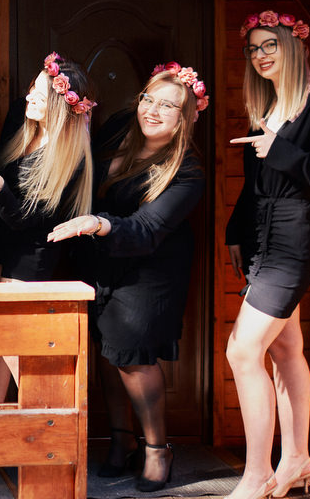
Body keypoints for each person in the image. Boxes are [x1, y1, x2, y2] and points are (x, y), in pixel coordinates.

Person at [48, 63, 208, 493]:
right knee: (107, 351)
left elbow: (148, 229)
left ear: (185, 118)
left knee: (133, 357)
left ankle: (157, 449)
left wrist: (97, 223)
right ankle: (121, 440)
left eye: (168, 106)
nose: (152, 110)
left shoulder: (187, 172)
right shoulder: (120, 128)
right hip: (100, 259)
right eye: (148, 99)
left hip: (150, 268)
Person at [224, 11, 310, 499]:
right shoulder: (269, 106)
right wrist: (236, 231)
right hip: (262, 237)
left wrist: (281, 151)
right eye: (253, 48)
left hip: (294, 241)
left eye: (270, 45)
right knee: (284, 349)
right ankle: (297, 458)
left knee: (242, 350)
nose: (260, 55)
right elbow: (256, 185)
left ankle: (257, 474)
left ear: (295, 46)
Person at [0, 51, 94, 405]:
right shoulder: (25, 132)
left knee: (17, 349)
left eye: (40, 93)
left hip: (28, 262)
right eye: (32, 88)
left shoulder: (68, 157)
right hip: (0, 252)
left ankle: (50, 424)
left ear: (60, 104)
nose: (30, 97)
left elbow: (24, 219)